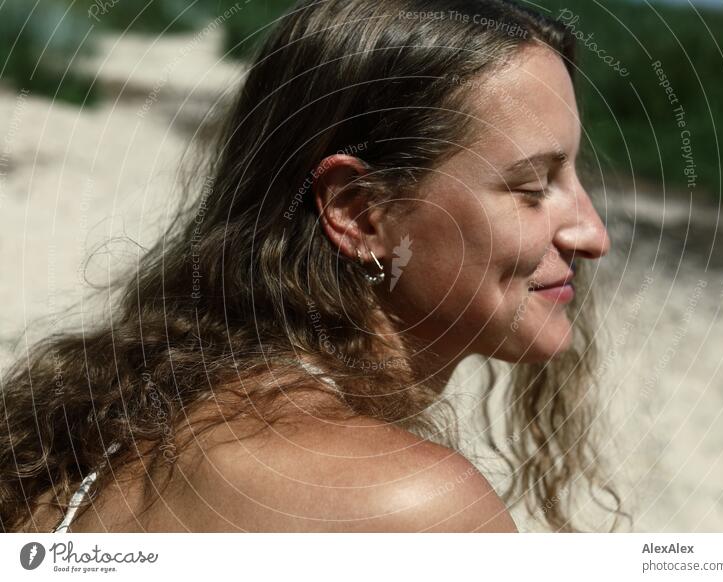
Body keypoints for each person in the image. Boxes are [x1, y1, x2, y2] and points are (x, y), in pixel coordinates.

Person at [1, 0, 623, 532]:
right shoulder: (412, 510)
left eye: (575, 176)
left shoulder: (110, 424)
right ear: (360, 212)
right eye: (533, 187)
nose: (593, 235)